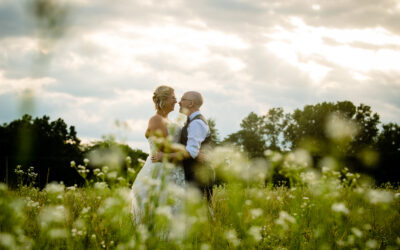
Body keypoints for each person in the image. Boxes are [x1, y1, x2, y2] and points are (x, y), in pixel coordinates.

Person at [130, 85, 186, 223]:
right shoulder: (155, 120)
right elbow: (165, 147)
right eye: (173, 97)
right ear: (163, 99)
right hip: (159, 169)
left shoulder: (169, 121)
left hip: (173, 168)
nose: (176, 101)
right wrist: (188, 151)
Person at [153, 91, 214, 202]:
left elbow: (192, 152)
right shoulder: (192, 122)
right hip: (194, 174)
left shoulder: (196, 123)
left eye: (182, 99)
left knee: (201, 214)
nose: (179, 103)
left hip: (199, 176)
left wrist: (164, 157)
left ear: (190, 103)